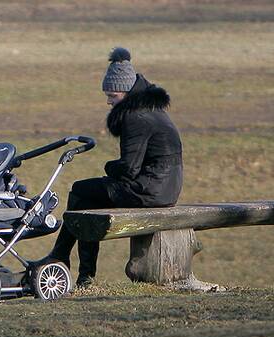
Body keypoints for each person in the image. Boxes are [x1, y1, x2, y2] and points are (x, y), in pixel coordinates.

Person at [40, 48, 183, 287]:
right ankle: (79, 273)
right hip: (164, 187)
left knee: (79, 190)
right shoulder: (151, 109)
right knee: (86, 202)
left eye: (112, 96)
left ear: (126, 93)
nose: (108, 101)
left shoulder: (135, 117)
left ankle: (65, 259)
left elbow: (128, 169)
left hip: (149, 191)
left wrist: (108, 167)